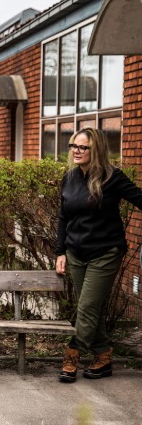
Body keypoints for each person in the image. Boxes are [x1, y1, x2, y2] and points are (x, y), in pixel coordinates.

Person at [55, 127, 142, 383]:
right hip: (76, 253)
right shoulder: (70, 177)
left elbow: (139, 198)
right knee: (89, 309)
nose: (77, 151)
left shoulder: (112, 178)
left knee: (87, 307)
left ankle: (72, 355)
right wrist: (61, 251)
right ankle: (103, 356)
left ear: (97, 150)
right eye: (74, 146)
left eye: (84, 147)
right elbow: (63, 217)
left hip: (105, 252)